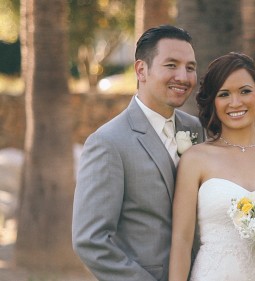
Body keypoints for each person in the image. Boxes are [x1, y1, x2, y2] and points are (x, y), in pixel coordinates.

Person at [72, 25, 204, 281]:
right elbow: (90, 241)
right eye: (171, 65)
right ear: (141, 70)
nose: (184, 76)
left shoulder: (194, 128)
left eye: (190, 67)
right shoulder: (108, 143)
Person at [169, 52, 255, 281]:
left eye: (245, 91)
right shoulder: (195, 159)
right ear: (213, 102)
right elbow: (181, 240)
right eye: (224, 94)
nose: (236, 102)